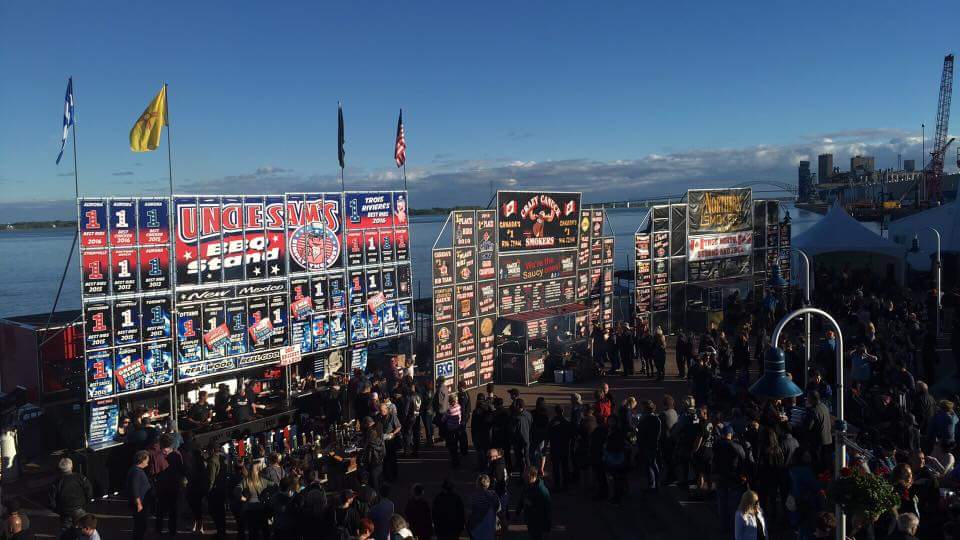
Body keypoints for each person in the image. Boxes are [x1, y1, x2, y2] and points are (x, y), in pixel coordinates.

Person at [47, 457, 93, 532]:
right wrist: (86, 502)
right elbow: (89, 491)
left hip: (65, 512)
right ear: (71, 466)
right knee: (82, 531)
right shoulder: (80, 477)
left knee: (67, 533)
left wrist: (57, 510)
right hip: (80, 509)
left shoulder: (57, 482)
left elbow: (51, 500)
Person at [154, 433, 186, 536]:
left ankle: (158, 530)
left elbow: (153, 472)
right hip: (173, 486)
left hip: (161, 487)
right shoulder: (177, 454)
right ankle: (172, 531)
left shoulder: (157, 456)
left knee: (160, 511)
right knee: (173, 510)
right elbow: (181, 470)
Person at [237, 461, 274, 540]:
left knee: (253, 533)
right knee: (265, 531)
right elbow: (276, 486)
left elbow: (236, 492)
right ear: (259, 469)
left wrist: (244, 499)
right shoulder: (264, 480)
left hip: (250, 509)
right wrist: (268, 497)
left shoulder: (245, 481)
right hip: (261, 508)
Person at [519, 467, 551, 540]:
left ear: (532, 476)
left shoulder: (541, 490)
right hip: (531, 520)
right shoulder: (528, 484)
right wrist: (518, 513)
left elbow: (546, 509)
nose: (523, 476)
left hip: (537, 522)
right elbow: (522, 499)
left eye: (525, 475)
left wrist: (531, 504)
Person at [547, 405, 574, 489]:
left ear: (555, 411)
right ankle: (566, 484)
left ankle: (557, 484)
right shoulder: (567, 422)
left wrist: (545, 448)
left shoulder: (552, 422)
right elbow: (571, 436)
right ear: (563, 411)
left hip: (555, 448)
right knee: (565, 466)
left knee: (556, 468)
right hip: (564, 448)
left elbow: (548, 436)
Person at [126, 450, 152, 540]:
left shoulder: (136, 470)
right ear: (142, 460)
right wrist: (139, 503)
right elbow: (135, 488)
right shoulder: (136, 472)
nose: (148, 461)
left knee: (141, 525)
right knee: (140, 525)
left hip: (141, 503)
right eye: (147, 459)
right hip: (140, 505)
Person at [468, 474, 500, 540]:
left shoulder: (473, 497)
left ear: (477, 484)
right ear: (488, 484)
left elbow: (469, 513)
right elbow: (499, 511)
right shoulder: (493, 495)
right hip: (490, 528)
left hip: (476, 528)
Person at [443, 394, 463, 467]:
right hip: (457, 429)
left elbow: (443, 419)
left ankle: (454, 462)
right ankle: (456, 461)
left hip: (450, 431)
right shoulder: (458, 407)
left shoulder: (449, 410)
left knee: (452, 447)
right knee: (455, 446)